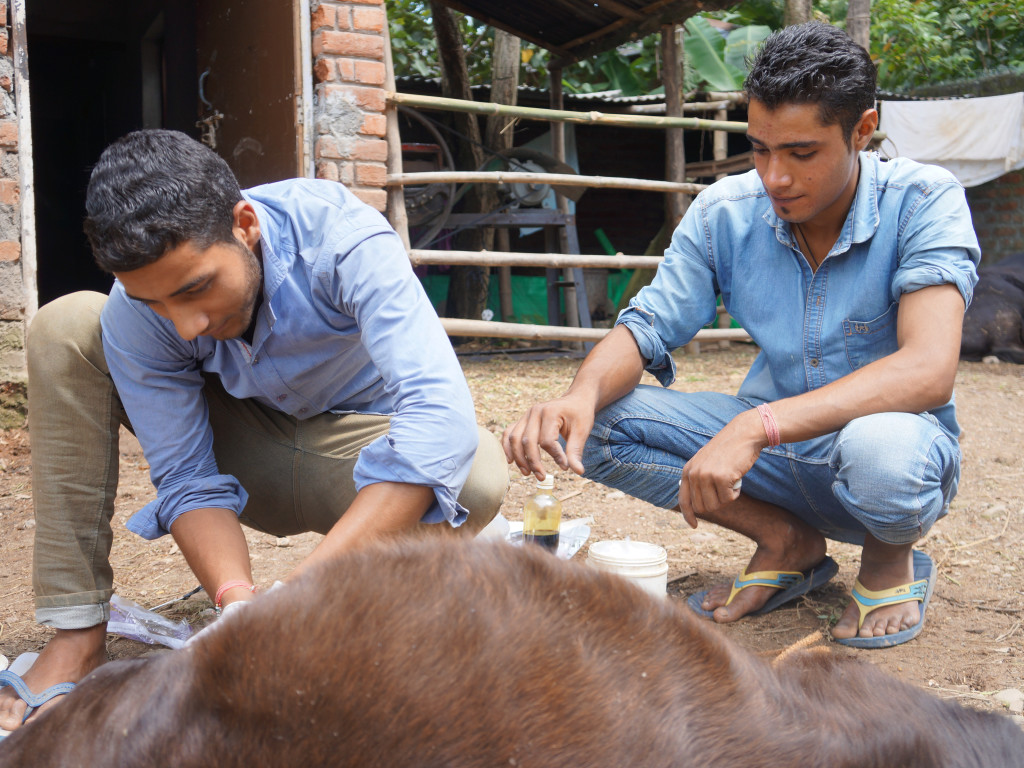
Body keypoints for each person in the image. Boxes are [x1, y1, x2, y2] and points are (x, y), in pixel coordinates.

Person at [0, 129, 508, 732]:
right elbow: (187, 475)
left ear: (245, 224)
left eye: (195, 289)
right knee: (68, 324)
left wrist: (297, 598)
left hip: (357, 455)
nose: (186, 326)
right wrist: (238, 604)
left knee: (472, 472)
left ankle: (390, 553)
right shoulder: (139, 306)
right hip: (245, 452)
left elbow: (435, 418)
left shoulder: (343, 239)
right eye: (158, 305)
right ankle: (78, 636)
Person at [504, 22, 979, 648]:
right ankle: (788, 541)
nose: (775, 176)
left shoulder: (924, 201)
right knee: (594, 425)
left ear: (863, 131)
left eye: (801, 153)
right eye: (759, 149)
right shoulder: (726, 210)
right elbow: (647, 326)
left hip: (883, 461)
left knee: (881, 449)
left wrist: (756, 426)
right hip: (773, 464)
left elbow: (927, 370)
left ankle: (890, 560)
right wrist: (578, 395)